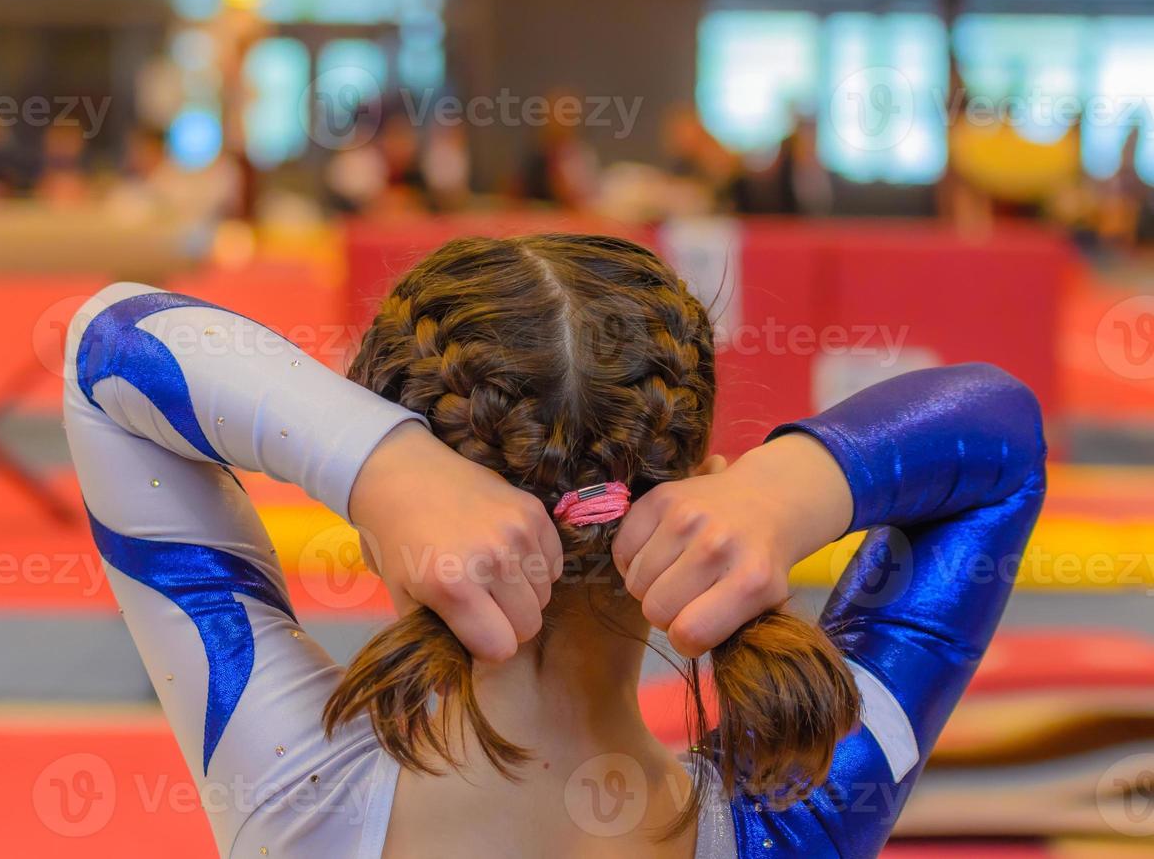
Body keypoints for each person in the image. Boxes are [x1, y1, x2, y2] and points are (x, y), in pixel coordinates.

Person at [63, 234, 1046, 858]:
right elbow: (999, 441)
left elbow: (109, 346)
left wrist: (381, 467)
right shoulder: (797, 817)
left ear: (390, 538)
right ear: (697, 479)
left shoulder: (292, 787)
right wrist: (786, 489)